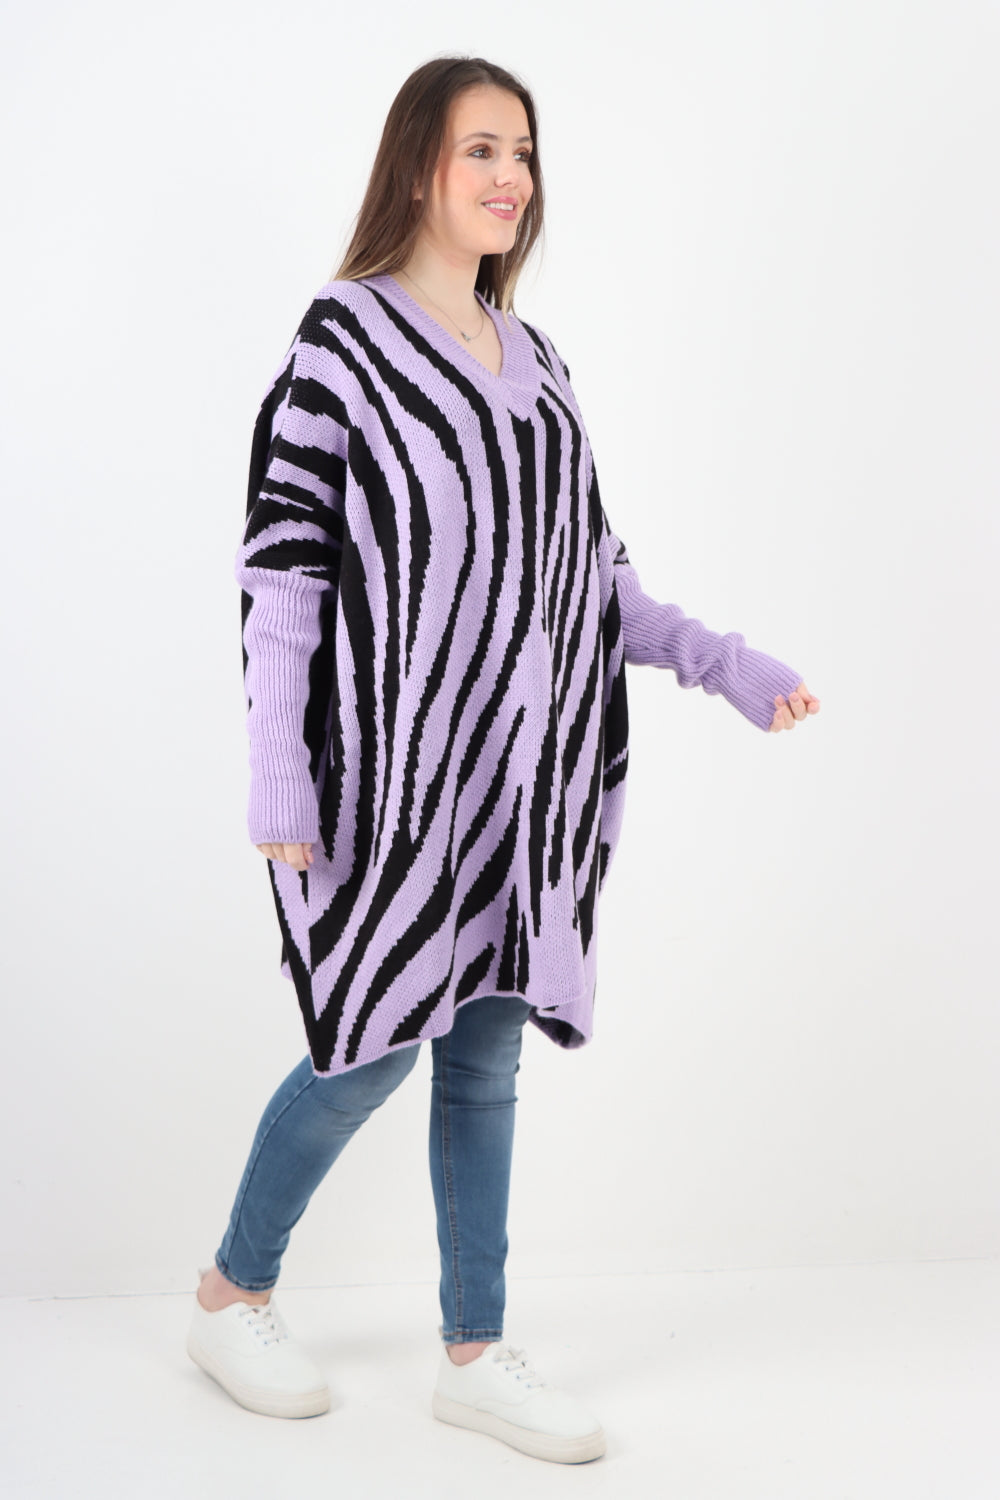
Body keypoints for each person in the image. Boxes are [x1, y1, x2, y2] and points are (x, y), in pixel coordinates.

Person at [186, 55, 820, 1465]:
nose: (510, 178)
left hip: (518, 797)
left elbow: (595, 577)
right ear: (419, 164)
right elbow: (283, 576)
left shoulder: (540, 367)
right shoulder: (341, 342)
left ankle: (474, 1350)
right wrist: (278, 770)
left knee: (484, 1066)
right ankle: (232, 1291)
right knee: (362, 1050)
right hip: (389, 794)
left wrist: (724, 663)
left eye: (523, 153)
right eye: (482, 149)